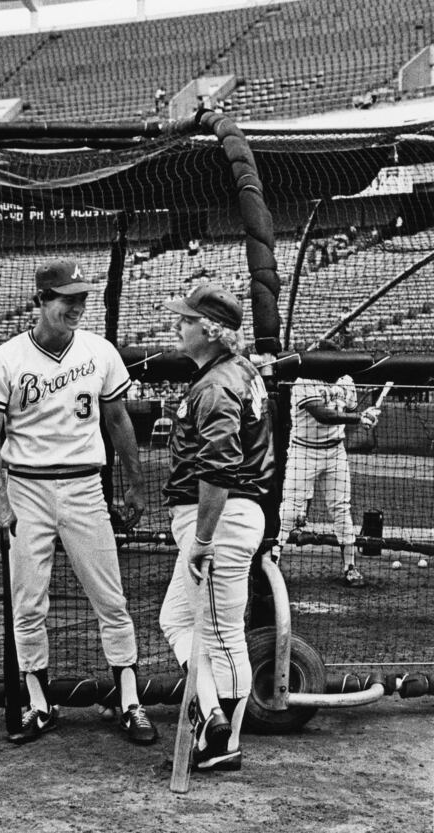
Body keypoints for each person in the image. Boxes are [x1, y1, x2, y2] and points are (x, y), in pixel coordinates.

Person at [0, 258, 158, 747]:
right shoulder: (5, 359)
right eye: (66, 298)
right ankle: (38, 703)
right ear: (41, 301)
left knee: (110, 599)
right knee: (27, 603)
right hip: (26, 489)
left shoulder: (99, 351)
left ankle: (130, 701)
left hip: (83, 486)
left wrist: (135, 484)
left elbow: (118, 422)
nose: (77, 306)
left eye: (81, 298)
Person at [159, 282, 275, 773]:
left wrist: (203, 539)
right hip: (227, 514)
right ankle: (211, 716)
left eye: (186, 320)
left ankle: (223, 740)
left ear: (209, 330)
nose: (178, 326)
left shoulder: (216, 384)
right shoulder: (235, 371)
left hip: (220, 519)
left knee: (224, 635)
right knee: (176, 620)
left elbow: (219, 469)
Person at [276, 340, 380, 587]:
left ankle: (350, 566)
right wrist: (358, 417)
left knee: (342, 508)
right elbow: (323, 415)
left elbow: (351, 408)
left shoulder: (345, 381)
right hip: (303, 451)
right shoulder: (304, 381)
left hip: (335, 452)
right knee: (290, 509)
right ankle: (271, 560)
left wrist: (367, 414)